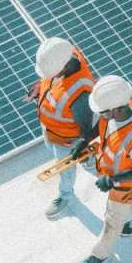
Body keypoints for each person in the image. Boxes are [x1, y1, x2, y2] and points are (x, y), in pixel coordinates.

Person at [75, 75, 132, 263]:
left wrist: (113, 180)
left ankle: (100, 253)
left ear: (117, 110)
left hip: (122, 183)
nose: (100, 115)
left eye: (103, 112)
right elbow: (102, 125)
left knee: (112, 222)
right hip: (116, 176)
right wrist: (84, 140)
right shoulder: (120, 106)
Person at [27, 37, 95, 218]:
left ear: (64, 66)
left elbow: (86, 127)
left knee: (66, 170)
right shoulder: (61, 54)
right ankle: (89, 159)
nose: (50, 76)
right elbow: (52, 82)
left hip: (66, 140)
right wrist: (39, 88)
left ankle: (65, 195)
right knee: (52, 149)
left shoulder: (81, 93)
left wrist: (80, 145)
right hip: (50, 129)